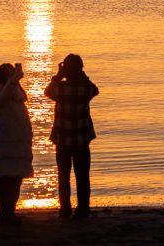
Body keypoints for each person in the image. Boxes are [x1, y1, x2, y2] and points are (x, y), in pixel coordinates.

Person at [44, 53, 99, 219]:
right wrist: (82, 75)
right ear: (81, 69)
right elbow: (95, 90)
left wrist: (59, 76)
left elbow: (47, 91)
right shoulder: (85, 88)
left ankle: (65, 209)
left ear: (66, 70)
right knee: (82, 176)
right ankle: (83, 209)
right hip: (82, 139)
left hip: (63, 139)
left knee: (63, 176)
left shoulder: (60, 88)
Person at [0, 62, 33, 224]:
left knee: (16, 178)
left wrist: (15, 82)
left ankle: (10, 211)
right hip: (6, 143)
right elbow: (3, 97)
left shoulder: (17, 95)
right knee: (5, 179)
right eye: (9, 75)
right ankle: (5, 212)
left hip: (20, 144)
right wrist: (13, 81)